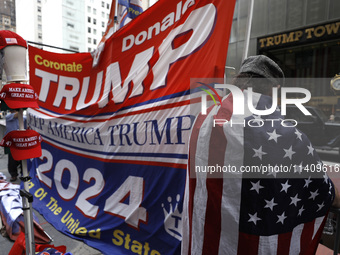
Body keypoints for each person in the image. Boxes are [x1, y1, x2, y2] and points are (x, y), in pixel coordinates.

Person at [182, 55, 340, 255]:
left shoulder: (202, 120)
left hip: (205, 242)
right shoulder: (282, 133)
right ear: (272, 90)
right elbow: (322, 190)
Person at [5, 109, 21, 182]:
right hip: (11, 141)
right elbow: (17, 115)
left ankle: (23, 174)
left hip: (20, 140)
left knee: (22, 158)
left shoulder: (22, 118)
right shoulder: (8, 116)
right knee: (12, 159)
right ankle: (13, 175)